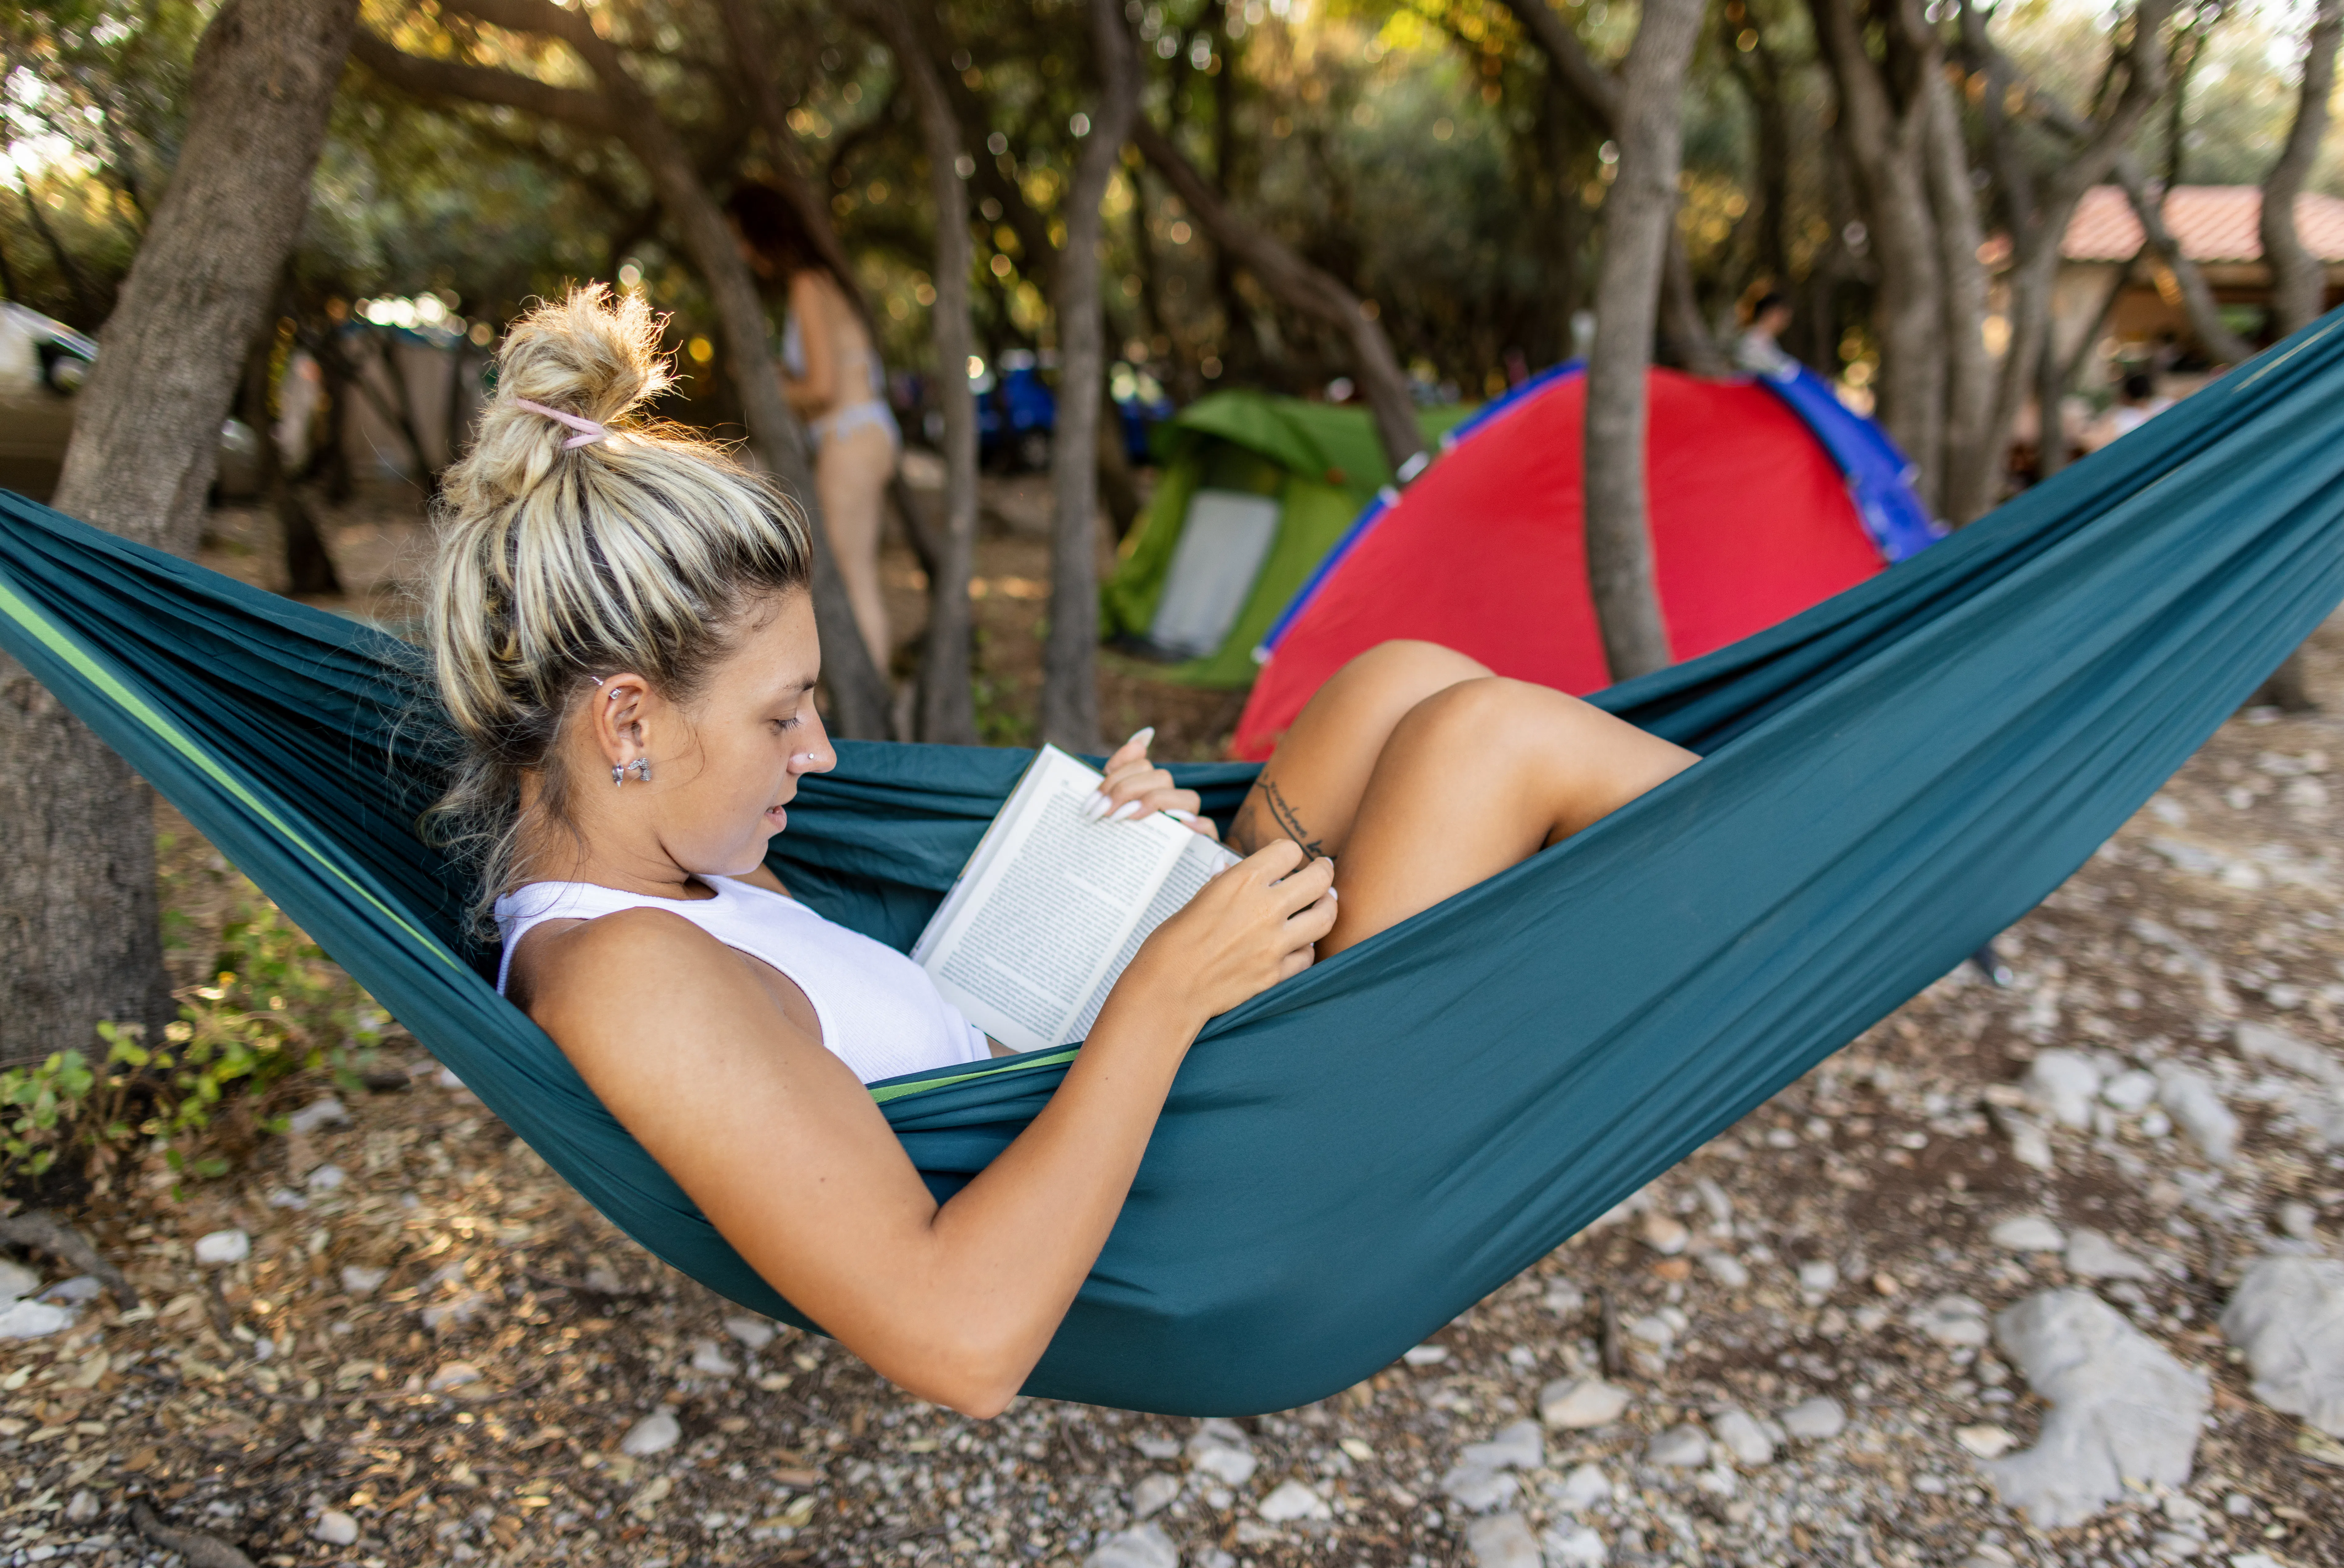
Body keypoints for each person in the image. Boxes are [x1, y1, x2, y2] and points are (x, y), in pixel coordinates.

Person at [426, 288, 1697, 1418]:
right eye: (779, 714)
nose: (817, 755)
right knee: (1484, 741)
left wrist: (1121, 875)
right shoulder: (627, 977)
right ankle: (1796, 890)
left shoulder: (675, 860)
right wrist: (1166, 989)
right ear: (629, 719)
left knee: (1395, 682)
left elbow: (893, 1031)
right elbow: (962, 1342)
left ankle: (1766, 863)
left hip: (1112, 1067)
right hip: (1218, 1197)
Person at [726, 182, 898, 666]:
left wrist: (765, 383)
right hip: (863, 434)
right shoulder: (823, 282)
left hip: (850, 438)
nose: (740, 252)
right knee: (857, 575)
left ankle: (866, 707)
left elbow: (823, 389)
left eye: (742, 237)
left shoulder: (806, 283)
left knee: (851, 579)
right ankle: (867, 699)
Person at [1733, 293, 1797, 378]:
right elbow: (1776, 368)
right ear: (1768, 313)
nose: (1786, 323)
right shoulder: (1754, 339)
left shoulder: (1767, 339)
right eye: (1782, 316)